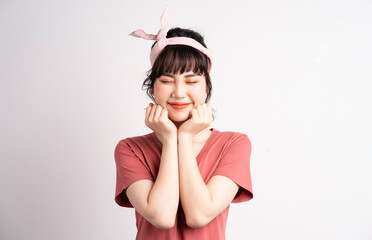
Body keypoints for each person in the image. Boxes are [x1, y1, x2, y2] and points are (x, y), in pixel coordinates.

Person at [114, 6, 253, 240]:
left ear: (206, 86)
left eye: (191, 81)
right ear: (152, 87)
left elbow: (199, 215)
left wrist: (185, 138)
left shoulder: (234, 144)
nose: (179, 93)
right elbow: (162, 217)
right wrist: (170, 140)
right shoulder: (130, 149)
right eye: (167, 80)